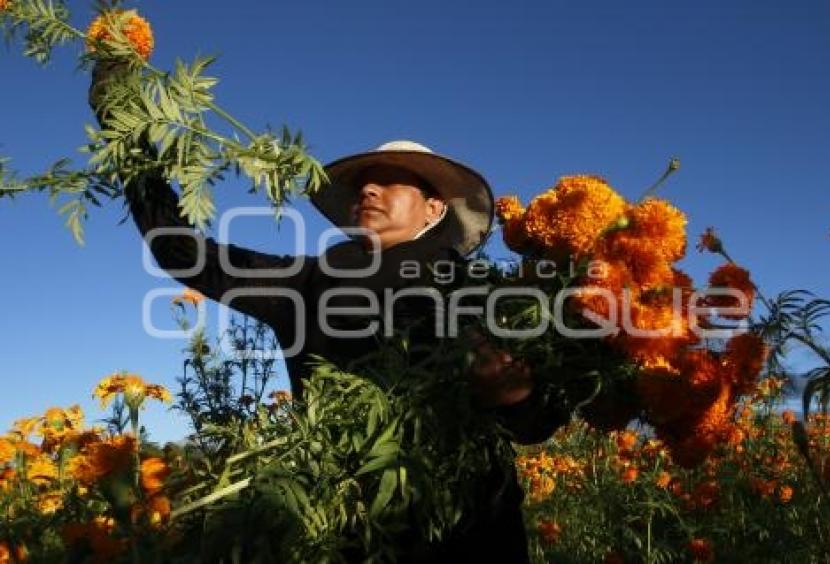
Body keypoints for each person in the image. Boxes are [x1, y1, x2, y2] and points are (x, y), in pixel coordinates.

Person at [90, 68, 566, 561]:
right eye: (363, 183)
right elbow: (183, 253)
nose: (369, 190)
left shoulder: (483, 288)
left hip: (474, 532)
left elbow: (541, 418)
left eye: (389, 181)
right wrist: (125, 128)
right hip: (352, 527)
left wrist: (515, 395)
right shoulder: (310, 280)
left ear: (434, 209)